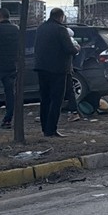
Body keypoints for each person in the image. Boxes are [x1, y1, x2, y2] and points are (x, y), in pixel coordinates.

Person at [33, 8, 78, 138]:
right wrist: (76, 49)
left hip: (41, 68)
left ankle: (44, 127)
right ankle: (51, 129)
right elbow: (69, 49)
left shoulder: (41, 28)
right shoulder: (61, 29)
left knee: (45, 99)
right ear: (60, 17)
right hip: (58, 70)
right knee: (56, 100)